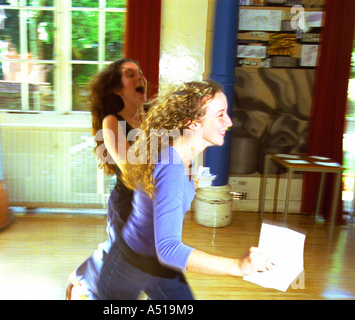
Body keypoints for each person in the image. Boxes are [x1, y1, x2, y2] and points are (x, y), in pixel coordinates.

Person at [95, 80, 275, 300]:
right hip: (129, 266)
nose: (229, 122)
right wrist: (239, 266)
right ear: (193, 123)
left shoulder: (181, 157)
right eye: (220, 114)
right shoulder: (171, 165)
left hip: (156, 265)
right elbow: (169, 249)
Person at [66, 58, 147, 299]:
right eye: (130, 74)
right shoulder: (112, 121)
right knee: (128, 257)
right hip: (127, 203)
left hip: (150, 199)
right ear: (117, 89)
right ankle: (85, 279)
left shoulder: (152, 118)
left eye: (140, 72)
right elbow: (128, 167)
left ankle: (84, 276)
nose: (139, 76)